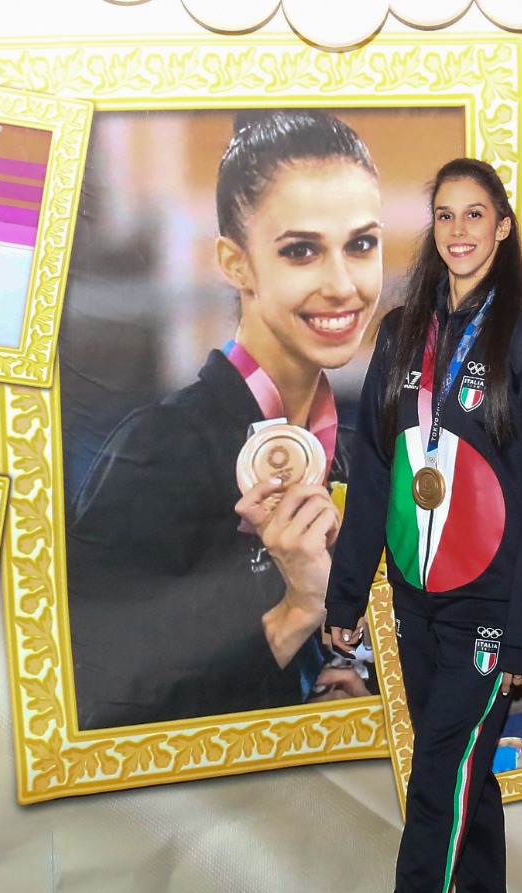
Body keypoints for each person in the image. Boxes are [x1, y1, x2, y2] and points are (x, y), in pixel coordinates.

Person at [322, 157, 522, 893]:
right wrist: (349, 592)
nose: (459, 229)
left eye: (477, 214)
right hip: (413, 599)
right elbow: (374, 467)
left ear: (503, 228)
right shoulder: (401, 334)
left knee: (435, 782)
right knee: (463, 774)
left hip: (490, 609)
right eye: (444, 215)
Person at [65, 110, 383, 730]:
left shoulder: (362, 458)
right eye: (301, 251)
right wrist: (295, 612)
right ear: (236, 264)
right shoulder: (155, 456)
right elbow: (98, 714)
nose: (343, 284)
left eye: (361, 245)